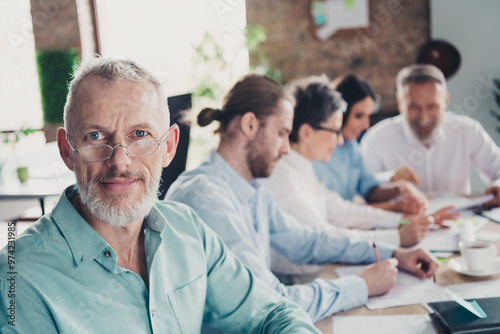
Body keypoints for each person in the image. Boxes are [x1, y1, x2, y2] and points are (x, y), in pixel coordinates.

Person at [0, 58, 321, 333]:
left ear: (168, 146)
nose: (120, 160)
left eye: (140, 134)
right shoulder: (19, 278)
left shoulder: (188, 230)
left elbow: (272, 312)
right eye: (95, 136)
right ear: (67, 151)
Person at [166, 73, 439, 324]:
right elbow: (269, 304)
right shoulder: (205, 198)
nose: (287, 149)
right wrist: (362, 285)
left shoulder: (254, 190)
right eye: (282, 133)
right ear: (249, 124)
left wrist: (393, 253)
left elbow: (309, 241)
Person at [259, 75, 457, 281]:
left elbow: (341, 210)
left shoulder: (300, 166)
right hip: (295, 281)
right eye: (335, 131)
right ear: (307, 132)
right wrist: (397, 238)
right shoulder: (284, 177)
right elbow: (326, 239)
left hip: (317, 272)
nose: (340, 140)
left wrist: (403, 222)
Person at [360, 64, 500, 208]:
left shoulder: (467, 130)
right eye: (413, 107)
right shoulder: (376, 138)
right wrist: (389, 178)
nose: (423, 117)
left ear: (446, 100)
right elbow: (361, 190)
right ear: (399, 103)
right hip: (401, 223)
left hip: (459, 219)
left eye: (432, 106)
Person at [312, 75, 428, 215]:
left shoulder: (351, 146)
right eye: (359, 116)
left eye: (368, 116)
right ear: (339, 112)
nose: (366, 126)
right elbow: (335, 212)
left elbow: (369, 189)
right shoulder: (317, 151)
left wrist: (399, 188)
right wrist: (394, 207)